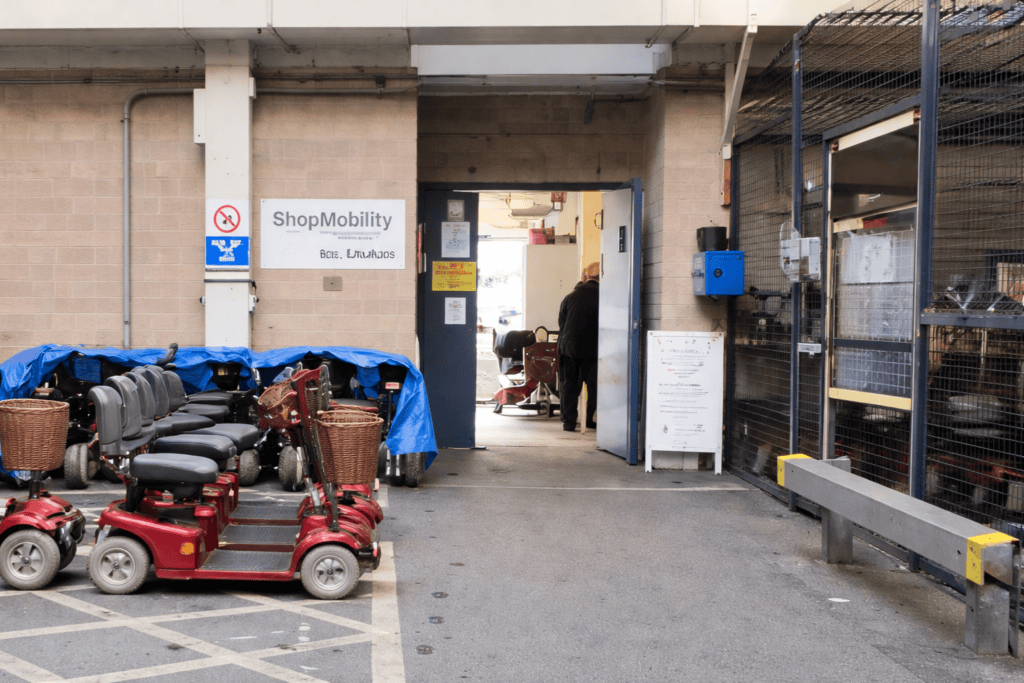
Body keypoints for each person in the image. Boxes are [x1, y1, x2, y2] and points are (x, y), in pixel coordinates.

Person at [557, 261, 600, 431]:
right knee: (594, 386)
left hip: (569, 348)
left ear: (585, 276)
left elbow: (562, 324)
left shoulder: (570, 296)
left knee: (570, 385)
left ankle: (569, 422)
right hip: (594, 349)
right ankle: (590, 420)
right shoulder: (605, 296)